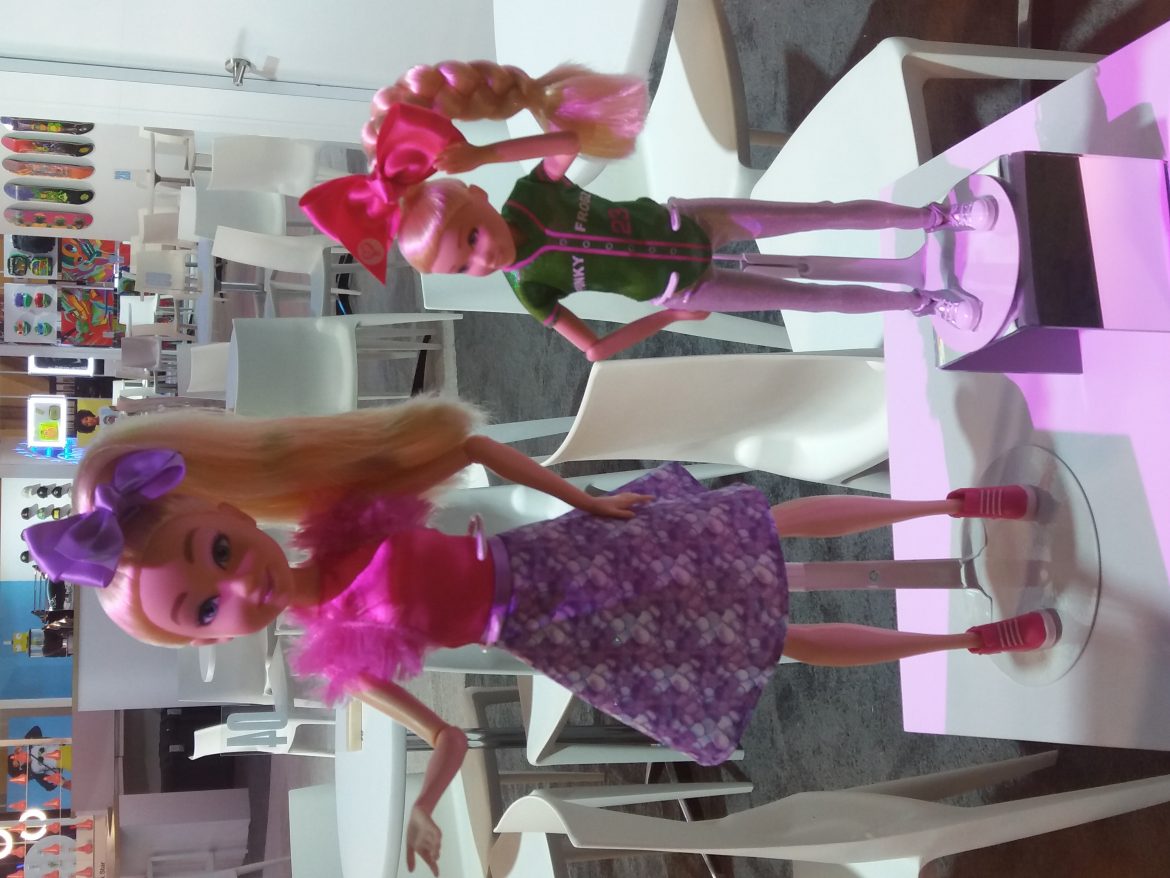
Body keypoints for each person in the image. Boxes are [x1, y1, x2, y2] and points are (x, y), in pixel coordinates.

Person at [23, 403, 1057, 876]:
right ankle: (971, 643)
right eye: (205, 608)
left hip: (566, 555)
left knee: (762, 529)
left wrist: (583, 497)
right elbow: (448, 737)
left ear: (223, 508)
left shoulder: (340, 513)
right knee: (771, 639)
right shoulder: (334, 644)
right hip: (560, 633)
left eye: (213, 550)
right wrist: (424, 809)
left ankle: (949, 504)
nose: (234, 583)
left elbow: (469, 445)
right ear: (204, 641)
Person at [301, 61, 993, 366]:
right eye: (466, 265)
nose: (485, 257)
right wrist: (670, 319)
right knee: (807, 298)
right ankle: (924, 302)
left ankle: (934, 217)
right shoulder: (529, 288)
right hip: (684, 288)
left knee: (818, 214)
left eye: (473, 237)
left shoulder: (529, 196)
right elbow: (595, 349)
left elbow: (566, 142)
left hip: (691, 222)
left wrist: (483, 154)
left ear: (480, 199)